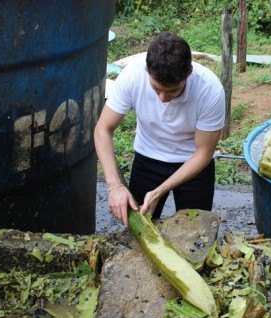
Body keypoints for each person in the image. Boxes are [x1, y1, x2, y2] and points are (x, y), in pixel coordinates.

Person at [94, 32, 225, 227]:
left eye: (172, 91)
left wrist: (160, 190)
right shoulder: (132, 76)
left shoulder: (210, 90)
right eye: (156, 89)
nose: (162, 99)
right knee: (138, 232)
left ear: (188, 74)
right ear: (147, 71)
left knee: (195, 233)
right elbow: (103, 129)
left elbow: (204, 152)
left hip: (193, 165)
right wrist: (114, 186)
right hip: (148, 159)